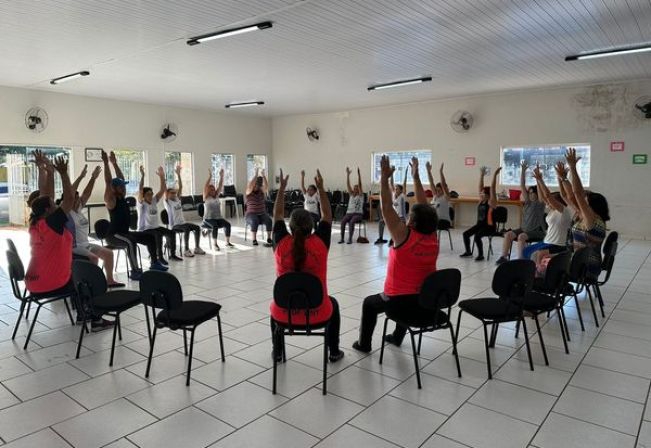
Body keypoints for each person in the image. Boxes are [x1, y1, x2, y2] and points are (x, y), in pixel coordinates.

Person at [353, 156, 439, 352]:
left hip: (399, 301)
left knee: (369, 304)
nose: (407, 216)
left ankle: (364, 344)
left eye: (410, 216)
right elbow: (425, 208)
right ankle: (397, 337)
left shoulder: (403, 236)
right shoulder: (432, 237)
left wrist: (384, 179)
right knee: (411, 294)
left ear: (413, 223)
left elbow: (385, 208)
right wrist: (416, 177)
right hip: (425, 300)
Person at [26, 152, 112, 331]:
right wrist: (63, 174)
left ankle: (82, 312)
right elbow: (69, 199)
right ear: (49, 210)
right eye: (54, 203)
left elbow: (44, 195)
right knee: (88, 278)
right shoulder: (52, 224)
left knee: (80, 268)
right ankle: (94, 319)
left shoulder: (36, 223)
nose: (57, 204)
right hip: (50, 283)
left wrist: (47, 171)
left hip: (33, 283)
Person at [270, 168, 344, 362]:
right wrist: (320, 188)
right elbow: (327, 214)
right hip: (318, 312)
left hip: (285, 314)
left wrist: (282, 189)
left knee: (274, 306)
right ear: (312, 225)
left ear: (290, 226)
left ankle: (277, 352)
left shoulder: (280, 244)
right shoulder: (321, 243)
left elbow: (277, 214)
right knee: (334, 304)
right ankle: (334, 351)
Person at [102, 150, 164, 279]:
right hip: (114, 235)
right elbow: (108, 182)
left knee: (149, 237)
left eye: (124, 187)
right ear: (114, 188)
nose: (124, 188)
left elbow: (121, 178)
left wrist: (115, 163)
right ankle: (135, 271)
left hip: (124, 233)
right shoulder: (111, 199)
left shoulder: (122, 196)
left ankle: (154, 263)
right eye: (121, 187)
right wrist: (106, 163)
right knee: (130, 242)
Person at [68, 164, 125, 288]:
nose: (78, 200)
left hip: (86, 244)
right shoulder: (67, 212)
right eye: (74, 198)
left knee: (108, 254)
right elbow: (70, 191)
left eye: (78, 198)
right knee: (94, 258)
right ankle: (93, 283)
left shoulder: (78, 208)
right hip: (74, 247)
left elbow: (86, 193)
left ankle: (109, 280)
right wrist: (80, 177)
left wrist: (93, 178)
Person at [564, 148, 610, 280]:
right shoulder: (590, 217)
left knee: (543, 266)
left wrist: (573, 167)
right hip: (581, 262)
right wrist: (562, 178)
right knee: (543, 260)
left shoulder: (592, 220)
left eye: (585, 202)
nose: (582, 203)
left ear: (592, 206)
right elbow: (568, 196)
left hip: (585, 267)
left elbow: (577, 193)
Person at [495, 161, 546, 264]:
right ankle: (503, 257)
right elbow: (522, 185)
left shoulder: (540, 203)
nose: (530, 195)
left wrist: (538, 179)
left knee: (521, 237)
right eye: (529, 193)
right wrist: (523, 171)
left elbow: (541, 190)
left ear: (537, 194)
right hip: (524, 229)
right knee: (508, 234)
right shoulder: (527, 203)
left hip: (537, 231)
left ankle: (521, 260)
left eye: (533, 193)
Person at [522, 162, 573, 263]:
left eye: (551, 202)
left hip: (556, 244)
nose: (548, 203)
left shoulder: (563, 210)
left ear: (559, 202)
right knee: (526, 251)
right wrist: (557, 179)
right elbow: (545, 197)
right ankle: (528, 270)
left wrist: (540, 180)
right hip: (547, 241)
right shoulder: (552, 211)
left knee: (534, 255)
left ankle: (536, 273)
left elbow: (548, 196)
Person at [137, 166, 181, 262]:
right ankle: (160, 257)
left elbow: (162, 190)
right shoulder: (141, 204)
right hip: (145, 229)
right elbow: (140, 190)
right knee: (158, 235)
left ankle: (172, 255)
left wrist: (161, 176)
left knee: (171, 233)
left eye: (151, 193)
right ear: (143, 196)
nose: (151, 195)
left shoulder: (153, 200)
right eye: (148, 194)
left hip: (155, 227)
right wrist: (143, 176)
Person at [164, 164, 206, 257]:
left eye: (175, 193)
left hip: (183, 223)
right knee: (186, 229)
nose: (174, 194)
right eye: (172, 193)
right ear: (167, 194)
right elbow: (164, 189)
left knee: (197, 228)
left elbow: (181, 187)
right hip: (174, 225)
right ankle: (186, 250)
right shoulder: (167, 202)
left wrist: (178, 174)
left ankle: (197, 248)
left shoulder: (177, 200)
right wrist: (163, 178)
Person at [202, 167, 233, 250]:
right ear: (208, 191)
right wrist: (210, 176)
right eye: (211, 189)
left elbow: (220, 186)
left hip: (218, 218)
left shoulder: (216, 196)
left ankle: (227, 242)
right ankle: (215, 244)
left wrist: (222, 176)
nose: (213, 190)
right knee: (215, 226)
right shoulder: (206, 197)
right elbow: (205, 187)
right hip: (208, 219)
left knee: (228, 224)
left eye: (213, 189)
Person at [375, 167, 407, 244]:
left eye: (397, 189)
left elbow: (404, 184)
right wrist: (392, 173)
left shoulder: (402, 196)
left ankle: (393, 239)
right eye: (395, 189)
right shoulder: (393, 195)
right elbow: (392, 183)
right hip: (393, 216)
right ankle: (380, 238)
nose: (395, 190)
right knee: (381, 222)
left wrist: (406, 174)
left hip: (401, 217)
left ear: (401, 190)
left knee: (393, 225)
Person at [245, 168, 273, 246]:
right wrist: (256, 174)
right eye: (255, 185)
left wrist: (264, 176)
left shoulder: (261, 191)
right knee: (254, 220)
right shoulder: (248, 192)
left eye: (257, 185)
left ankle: (269, 238)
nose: (256, 186)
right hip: (251, 214)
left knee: (269, 220)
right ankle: (254, 239)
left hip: (262, 213)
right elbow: (250, 185)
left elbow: (266, 186)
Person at [339, 167, 364, 244]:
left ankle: (350, 238)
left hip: (358, 214)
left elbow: (360, 184)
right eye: (354, 188)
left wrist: (359, 175)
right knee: (343, 221)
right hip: (349, 213)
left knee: (352, 222)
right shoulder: (351, 195)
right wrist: (348, 175)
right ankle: (342, 238)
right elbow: (348, 185)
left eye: (357, 188)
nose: (356, 189)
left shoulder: (360, 196)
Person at [427, 162, 452, 231]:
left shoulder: (446, 197)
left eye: (439, 190)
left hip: (444, 222)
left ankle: (432, 241)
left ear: (443, 190)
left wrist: (441, 172)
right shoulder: (435, 196)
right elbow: (431, 182)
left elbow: (443, 184)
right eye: (436, 190)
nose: (437, 192)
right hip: (435, 220)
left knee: (430, 225)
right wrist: (428, 171)